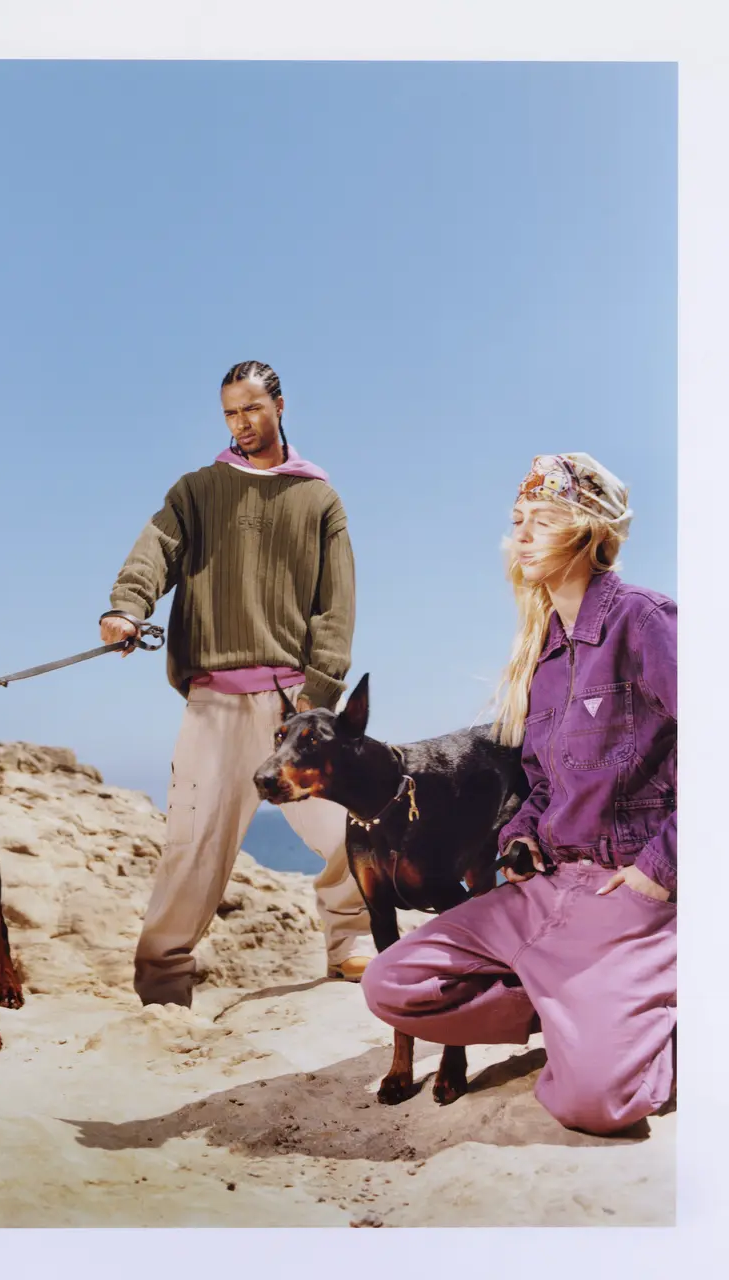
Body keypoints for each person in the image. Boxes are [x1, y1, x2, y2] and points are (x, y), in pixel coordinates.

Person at [360, 453, 676, 1135]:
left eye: (544, 520)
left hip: (627, 894)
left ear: (589, 532)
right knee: (390, 984)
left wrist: (657, 873)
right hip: (546, 890)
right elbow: (541, 784)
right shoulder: (544, 654)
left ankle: (651, 1010)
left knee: (592, 1103)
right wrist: (522, 834)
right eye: (517, 520)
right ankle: (571, 1005)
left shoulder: (644, 621)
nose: (521, 536)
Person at [101, 360, 373, 1007]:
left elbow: (335, 606)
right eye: (230, 412)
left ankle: (349, 943)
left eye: (252, 408)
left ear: (280, 405)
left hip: (294, 707)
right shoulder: (198, 490)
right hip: (214, 705)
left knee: (350, 825)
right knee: (193, 845)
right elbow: (156, 549)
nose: (241, 423)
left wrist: (319, 692)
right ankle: (163, 980)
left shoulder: (319, 499)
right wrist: (126, 608)